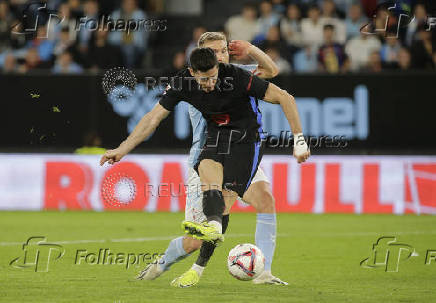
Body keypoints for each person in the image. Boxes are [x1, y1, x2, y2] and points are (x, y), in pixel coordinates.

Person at [100, 48, 310, 287]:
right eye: (204, 79)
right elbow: (152, 118)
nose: (210, 83)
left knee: (229, 196)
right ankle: (213, 227)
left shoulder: (236, 76)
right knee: (208, 172)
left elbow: (285, 97)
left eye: (213, 76)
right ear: (192, 72)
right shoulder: (183, 82)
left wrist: (299, 140)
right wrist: (122, 148)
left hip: (247, 141)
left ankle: (224, 242)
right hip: (216, 136)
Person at [138, 32, 288, 287]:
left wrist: (250, 48)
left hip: (240, 151)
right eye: (213, 52)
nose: (220, 56)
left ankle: (264, 273)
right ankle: (161, 264)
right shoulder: (193, 80)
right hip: (207, 158)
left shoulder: (231, 75)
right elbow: (158, 112)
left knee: (265, 199)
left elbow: (271, 70)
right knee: (195, 239)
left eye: (223, 51)